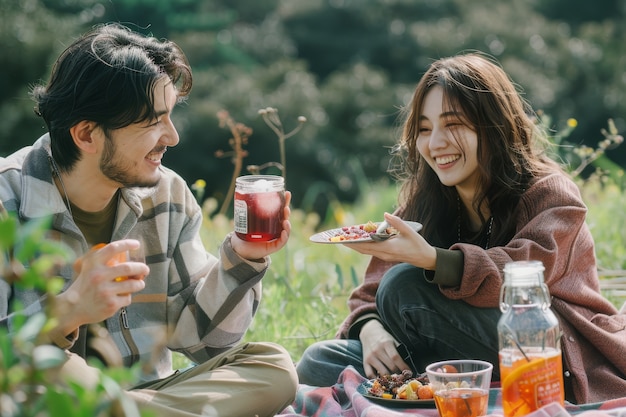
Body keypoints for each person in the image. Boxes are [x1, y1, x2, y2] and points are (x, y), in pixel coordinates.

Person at [0, 23, 297, 417]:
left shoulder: (168, 194)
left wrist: (245, 257)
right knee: (58, 368)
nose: (172, 137)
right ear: (87, 135)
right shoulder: (7, 201)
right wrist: (71, 307)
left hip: (147, 391)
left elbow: (205, 343)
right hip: (47, 388)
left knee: (273, 367)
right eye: (154, 122)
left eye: (170, 117)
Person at [296, 52, 626, 404]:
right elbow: (369, 292)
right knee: (319, 360)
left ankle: (428, 383)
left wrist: (433, 260)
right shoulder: (428, 201)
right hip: (448, 347)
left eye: (452, 124)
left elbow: (524, 275)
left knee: (403, 287)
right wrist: (370, 331)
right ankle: (431, 381)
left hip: (548, 355)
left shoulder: (551, 194)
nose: (435, 143)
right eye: (424, 129)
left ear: (493, 125)